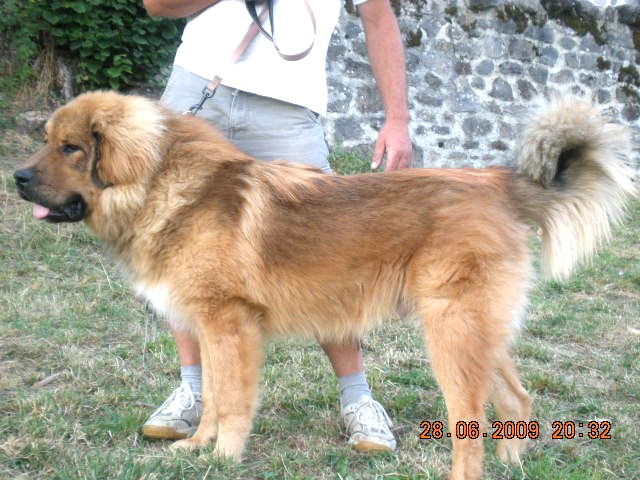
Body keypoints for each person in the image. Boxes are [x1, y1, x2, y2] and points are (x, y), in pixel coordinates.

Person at [141, 0, 412, 452]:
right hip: (199, 84)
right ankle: (192, 390)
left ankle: (358, 398)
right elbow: (158, 6)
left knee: (326, 253)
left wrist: (398, 120)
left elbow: (379, 17)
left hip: (289, 104)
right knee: (179, 249)